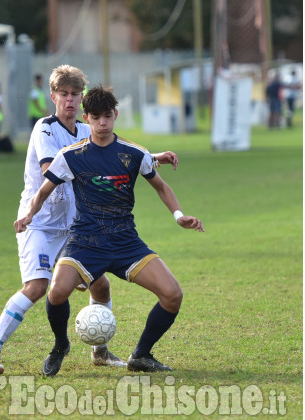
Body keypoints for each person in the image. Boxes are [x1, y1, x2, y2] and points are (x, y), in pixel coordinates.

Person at [0, 65, 179, 376]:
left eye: (75, 95)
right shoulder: (44, 128)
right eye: (64, 95)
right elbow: (50, 170)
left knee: (100, 285)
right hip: (40, 222)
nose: (69, 100)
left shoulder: (86, 129)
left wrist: (151, 158)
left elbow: (117, 147)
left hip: (74, 225)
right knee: (38, 287)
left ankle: (100, 351)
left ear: (81, 99)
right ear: (53, 96)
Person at [14, 84, 204, 375]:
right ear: (86, 118)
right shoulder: (70, 156)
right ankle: (60, 345)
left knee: (173, 294)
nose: (102, 123)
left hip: (126, 241)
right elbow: (43, 191)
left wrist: (179, 216)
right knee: (56, 292)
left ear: (115, 115)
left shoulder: (133, 153)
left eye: (107, 116)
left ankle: (141, 355)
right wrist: (28, 215)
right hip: (85, 241)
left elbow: (161, 187)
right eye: (95, 117)